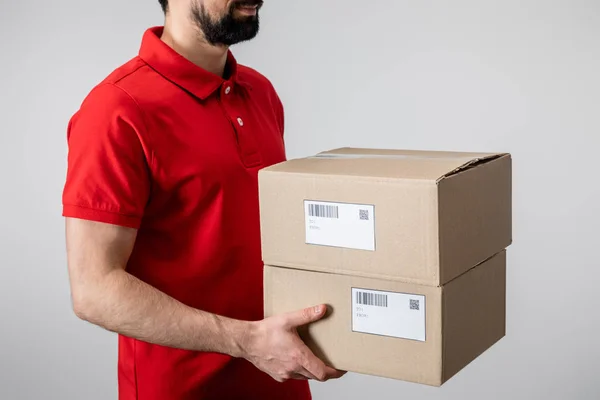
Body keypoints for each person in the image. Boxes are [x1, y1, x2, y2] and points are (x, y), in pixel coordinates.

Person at [61, 0, 344, 399]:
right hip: (182, 389)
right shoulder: (115, 109)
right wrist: (248, 341)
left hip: (282, 378)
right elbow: (93, 289)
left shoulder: (259, 91)